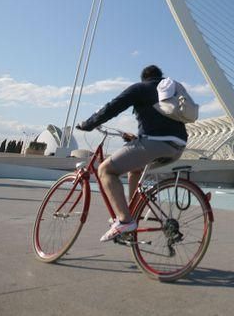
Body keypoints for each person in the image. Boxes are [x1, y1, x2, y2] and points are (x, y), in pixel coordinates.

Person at [76, 65, 188, 242]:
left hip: (155, 143)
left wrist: (89, 124)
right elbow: (162, 123)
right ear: (160, 77)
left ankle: (125, 220)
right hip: (178, 146)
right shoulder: (170, 91)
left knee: (105, 170)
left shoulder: (141, 88)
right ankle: (131, 214)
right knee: (134, 170)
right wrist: (137, 138)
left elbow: (112, 107)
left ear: (144, 78)